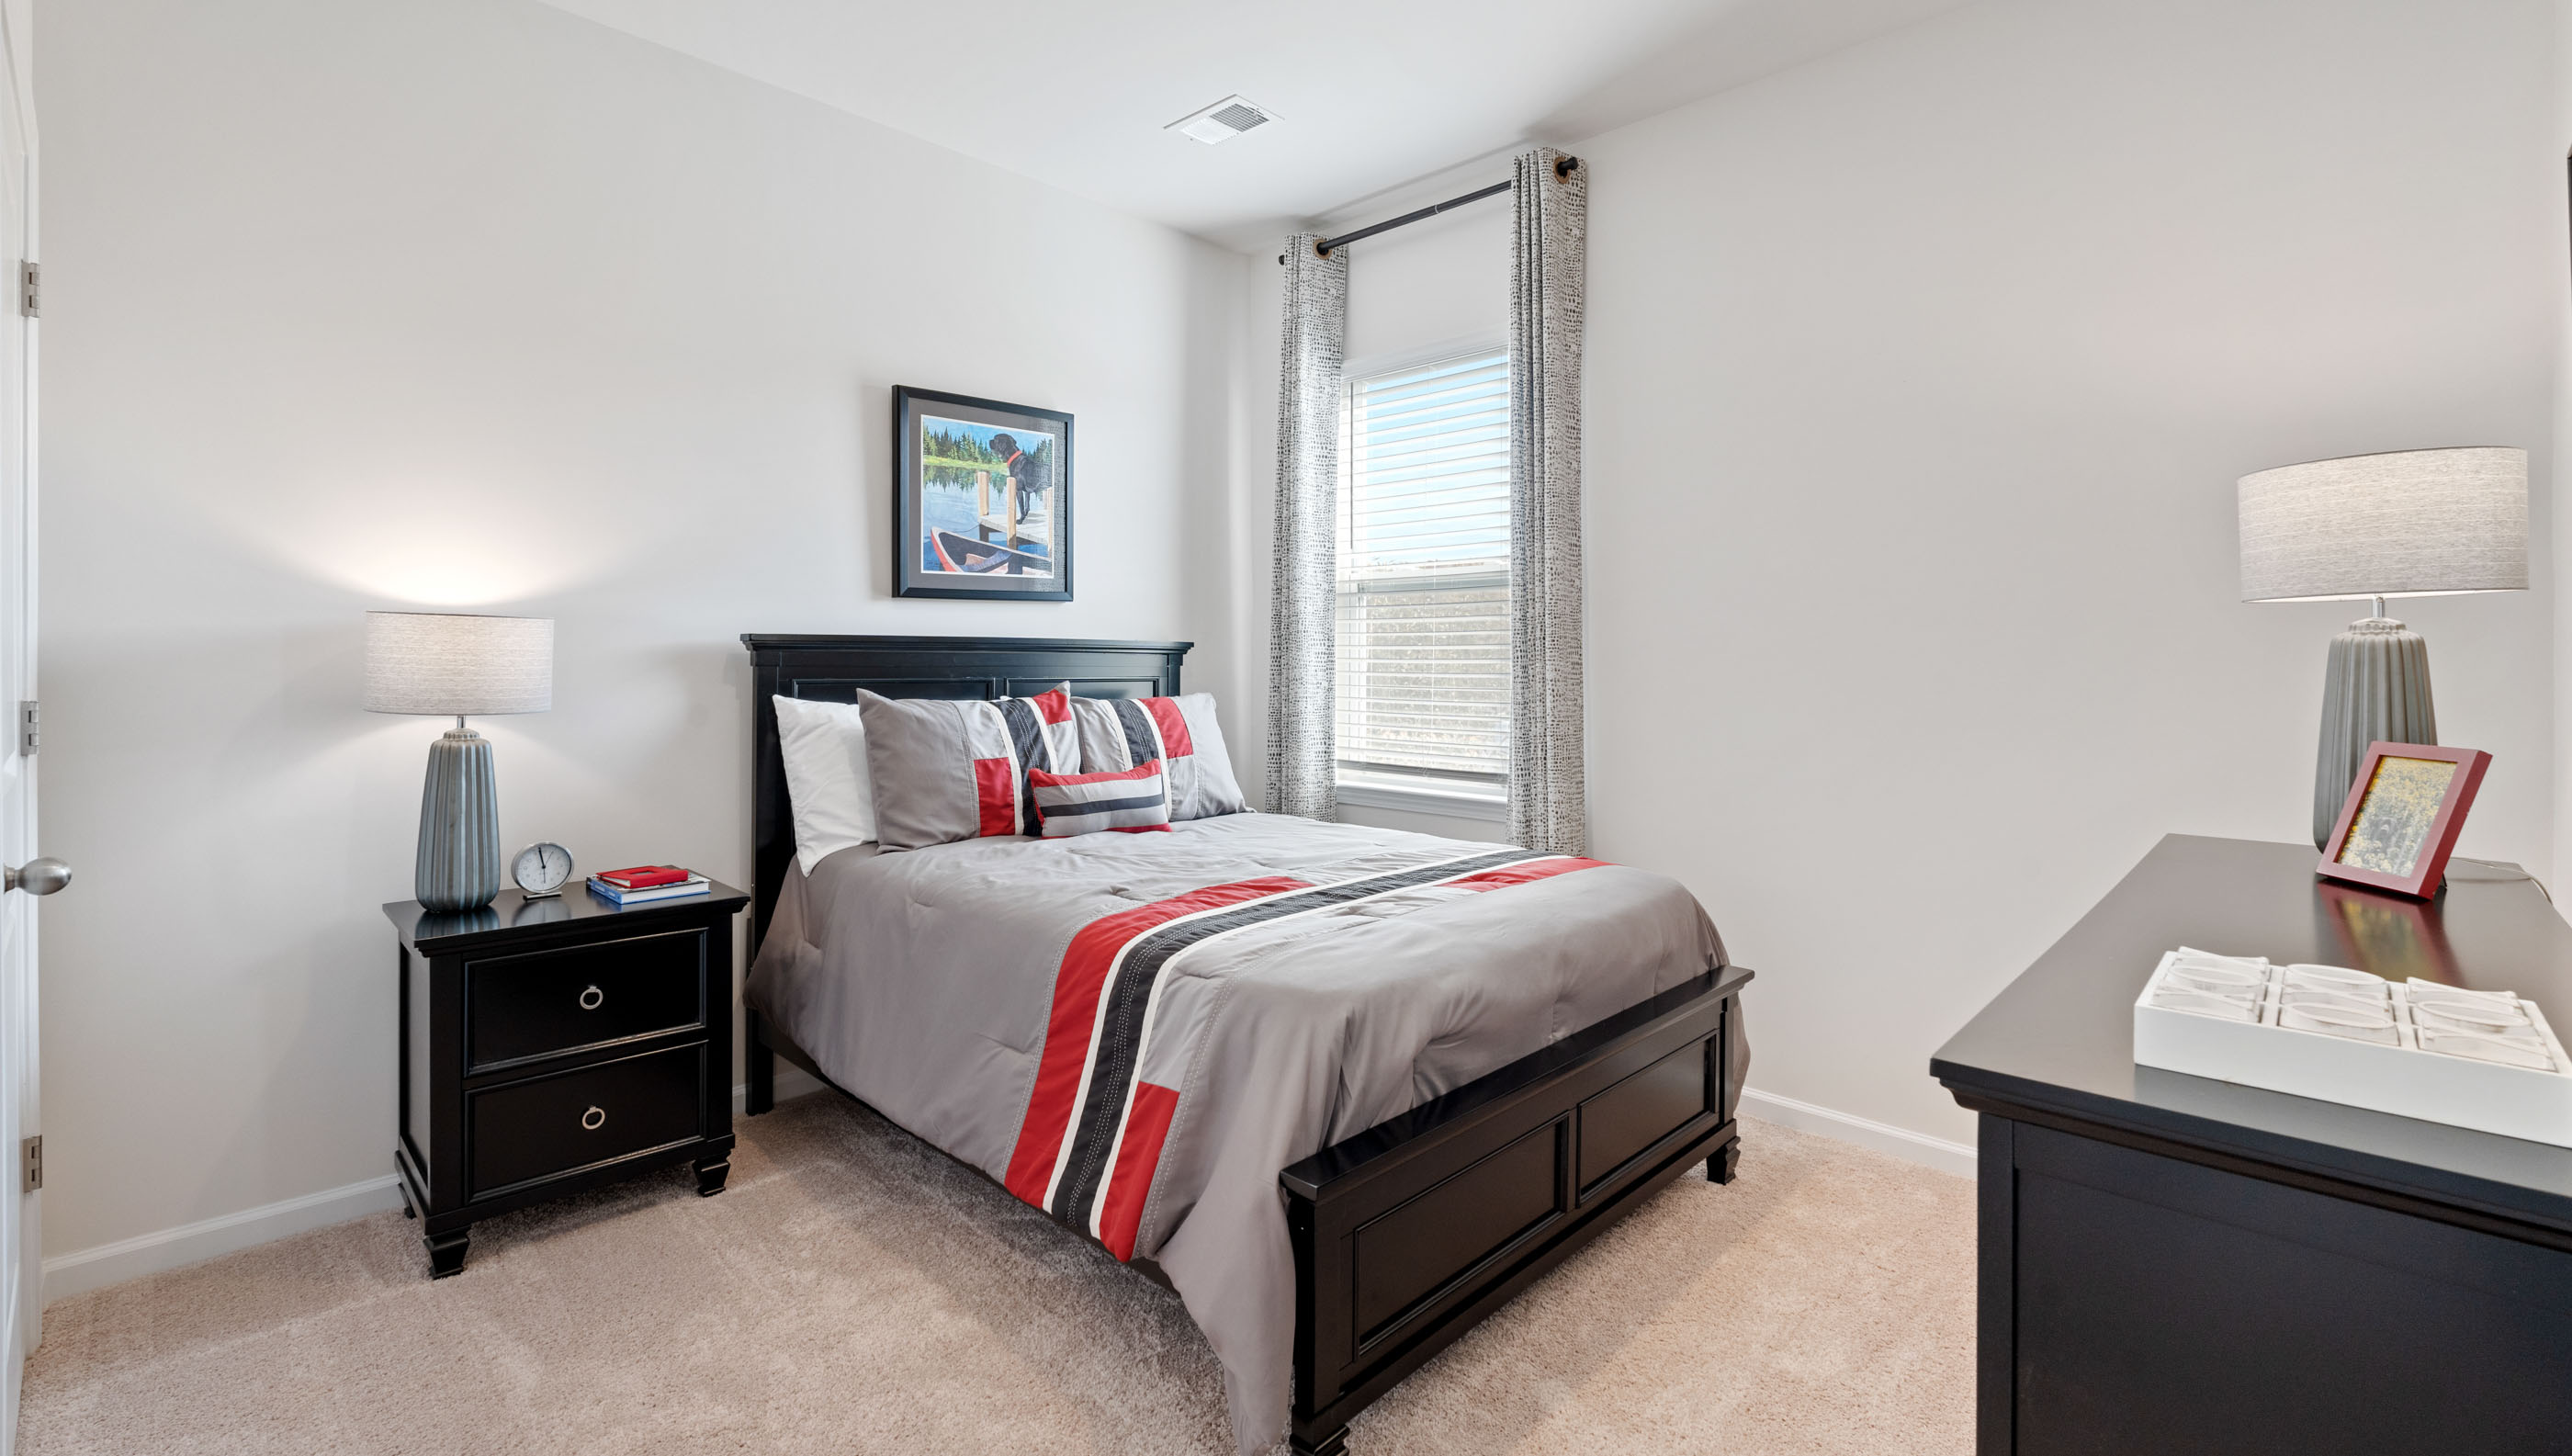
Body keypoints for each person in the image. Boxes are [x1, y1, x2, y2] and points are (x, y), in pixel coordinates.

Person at [988, 432, 1048, 523]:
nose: (992, 442)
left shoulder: (1017, 466)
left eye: (995, 441)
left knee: (1018, 489)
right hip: (1038, 482)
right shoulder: (1022, 460)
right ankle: (1027, 509)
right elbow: (1026, 488)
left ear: (1002, 446)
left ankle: (1023, 515)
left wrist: (1022, 517)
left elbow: (1019, 491)